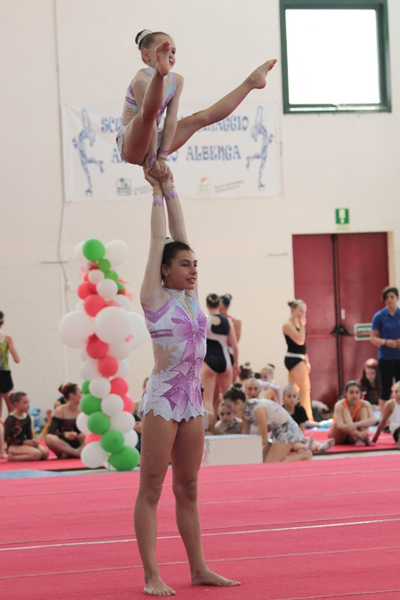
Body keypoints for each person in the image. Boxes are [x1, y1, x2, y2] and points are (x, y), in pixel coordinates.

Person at [134, 168, 240, 596]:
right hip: (162, 400)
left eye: (195, 264)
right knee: (153, 486)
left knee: (190, 486)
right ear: (165, 270)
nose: (193, 270)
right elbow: (161, 239)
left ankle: (198, 568)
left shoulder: (192, 298)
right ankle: (151, 574)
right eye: (184, 264)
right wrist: (156, 192)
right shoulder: (154, 298)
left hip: (192, 400)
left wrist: (172, 185)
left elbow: (181, 232)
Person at [117, 28, 277, 175]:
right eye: (164, 51)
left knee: (199, 118)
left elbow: (171, 120)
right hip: (131, 144)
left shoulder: (176, 81)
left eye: (173, 51)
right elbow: (148, 118)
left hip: (155, 140)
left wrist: (162, 157)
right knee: (147, 115)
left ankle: (250, 82)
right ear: (146, 55)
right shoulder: (141, 79)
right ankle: (159, 74)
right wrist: (152, 159)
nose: (171, 55)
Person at [242, 378, 312, 462]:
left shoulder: (259, 407)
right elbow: (244, 434)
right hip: (276, 433)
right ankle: (303, 453)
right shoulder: (247, 408)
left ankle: (304, 454)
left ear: (260, 389)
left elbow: (263, 438)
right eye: (250, 389)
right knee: (263, 461)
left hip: (285, 432)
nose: (253, 392)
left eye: (255, 389)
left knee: (270, 462)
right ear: (245, 390)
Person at [201, 293, 238, 415]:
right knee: (229, 398)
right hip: (226, 361)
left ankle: (209, 429)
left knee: (208, 399)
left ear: (207, 305)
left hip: (208, 362)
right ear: (219, 304)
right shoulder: (228, 321)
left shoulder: (204, 320)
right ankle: (234, 425)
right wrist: (235, 364)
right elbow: (234, 345)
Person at [370, 286, 400, 414]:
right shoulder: (379, 316)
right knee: (385, 388)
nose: (390, 300)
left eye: (392, 297)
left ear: (397, 298)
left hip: (399, 357)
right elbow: (373, 337)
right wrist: (387, 342)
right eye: (387, 297)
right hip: (385, 357)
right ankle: (385, 419)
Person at [282, 299, 312, 420]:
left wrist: (307, 360)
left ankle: (293, 417)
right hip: (293, 358)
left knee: (293, 390)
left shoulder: (298, 324)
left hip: (300, 358)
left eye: (304, 311)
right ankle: (308, 418)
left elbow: (303, 348)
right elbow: (300, 341)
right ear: (293, 310)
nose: (302, 314)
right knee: (305, 388)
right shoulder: (287, 325)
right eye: (300, 311)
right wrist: (303, 326)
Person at [282, 385, 334, 453]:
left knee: (306, 439)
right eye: (289, 396)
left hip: (297, 435)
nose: (292, 399)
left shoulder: (300, 409)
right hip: (285, 438)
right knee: (291, 444)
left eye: (294, 396)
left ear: (297, 398)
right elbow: (280, 430)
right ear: (283, 399)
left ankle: (319, 446)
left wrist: (299, 437)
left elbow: (302, 429)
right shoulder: (281, 411)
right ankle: (306, 447)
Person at [328, 380, 375, 446]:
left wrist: (355, 424)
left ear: (360, 394)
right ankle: (361, 437)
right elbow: (340, 425)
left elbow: (373, 420)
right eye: (351, 392)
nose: (354, 395)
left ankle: (362, 439)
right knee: (345, 411)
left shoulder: (365, 404)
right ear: (345, 393)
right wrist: (359, 434)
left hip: (353, 436)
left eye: (357, 392)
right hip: (339, 435)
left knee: (364, 410)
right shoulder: (340, 405)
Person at [4, 392, 48, 461]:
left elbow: (29, 435)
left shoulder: (27, 417)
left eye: (28, 402)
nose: (28, 405)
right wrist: (24, 442)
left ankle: (24, 453)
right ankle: (13, 458)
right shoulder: (10, 419)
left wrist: (33, 440)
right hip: (13, 446)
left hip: (24, 444)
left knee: (45, 453)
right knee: (37, 454)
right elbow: (7, 439)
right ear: (16, 404)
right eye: (25, 403)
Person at [45, 383, 85, 458]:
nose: (83, 395)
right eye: (81, 392)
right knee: (49, 438)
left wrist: (82, 434)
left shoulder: (84, 410)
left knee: (93, 436)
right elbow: (51, 432)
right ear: (72, 395)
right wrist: (64, 434)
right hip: (64, 445)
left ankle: (72, 453)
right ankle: (76, 453)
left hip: (80, 444)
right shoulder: (60, 410)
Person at [0, 311, 20, 418]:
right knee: (10, 403)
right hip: (4, 372)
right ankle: (11, 428)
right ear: (3, 322)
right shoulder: (7, 338)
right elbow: (16, 359)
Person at [372, 380, 400, 448]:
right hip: (397, 430)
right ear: (392, 392)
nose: (398, 394)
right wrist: (374, 439)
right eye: (396, 392)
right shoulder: (390, 404)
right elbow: (383, 421)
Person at [219, 293, 242, 365]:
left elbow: (233, 342)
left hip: (228, 354)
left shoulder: (235, 321)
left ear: (227, 306)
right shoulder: (211, 320)